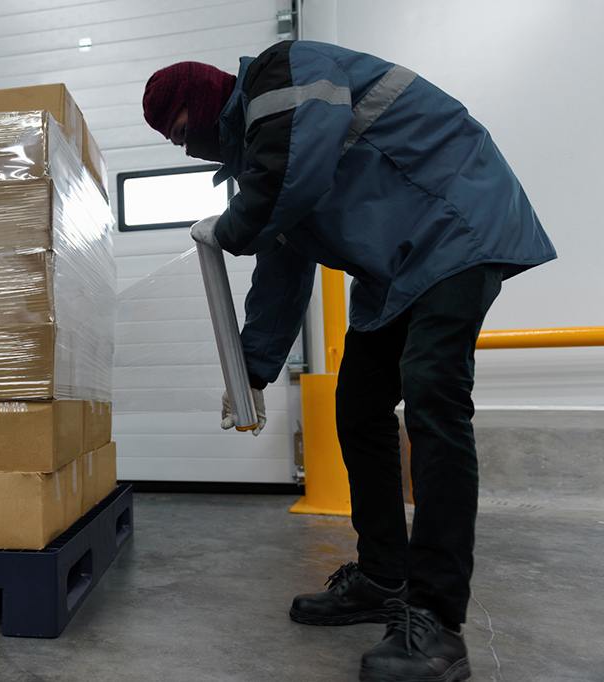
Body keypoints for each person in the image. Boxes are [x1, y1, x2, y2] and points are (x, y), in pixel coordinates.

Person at [142, 40, 556, 682]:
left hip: (453, 221)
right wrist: (250, 369)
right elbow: (282, 266)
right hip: (398, 263)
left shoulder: (285, 74)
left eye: (181, 131)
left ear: (202, 102)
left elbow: (292, 176)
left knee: (433, 399)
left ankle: (438, 623)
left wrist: (225, 230)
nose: (184, 146)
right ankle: (383, 579)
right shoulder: (262, 155)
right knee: (359, 407)